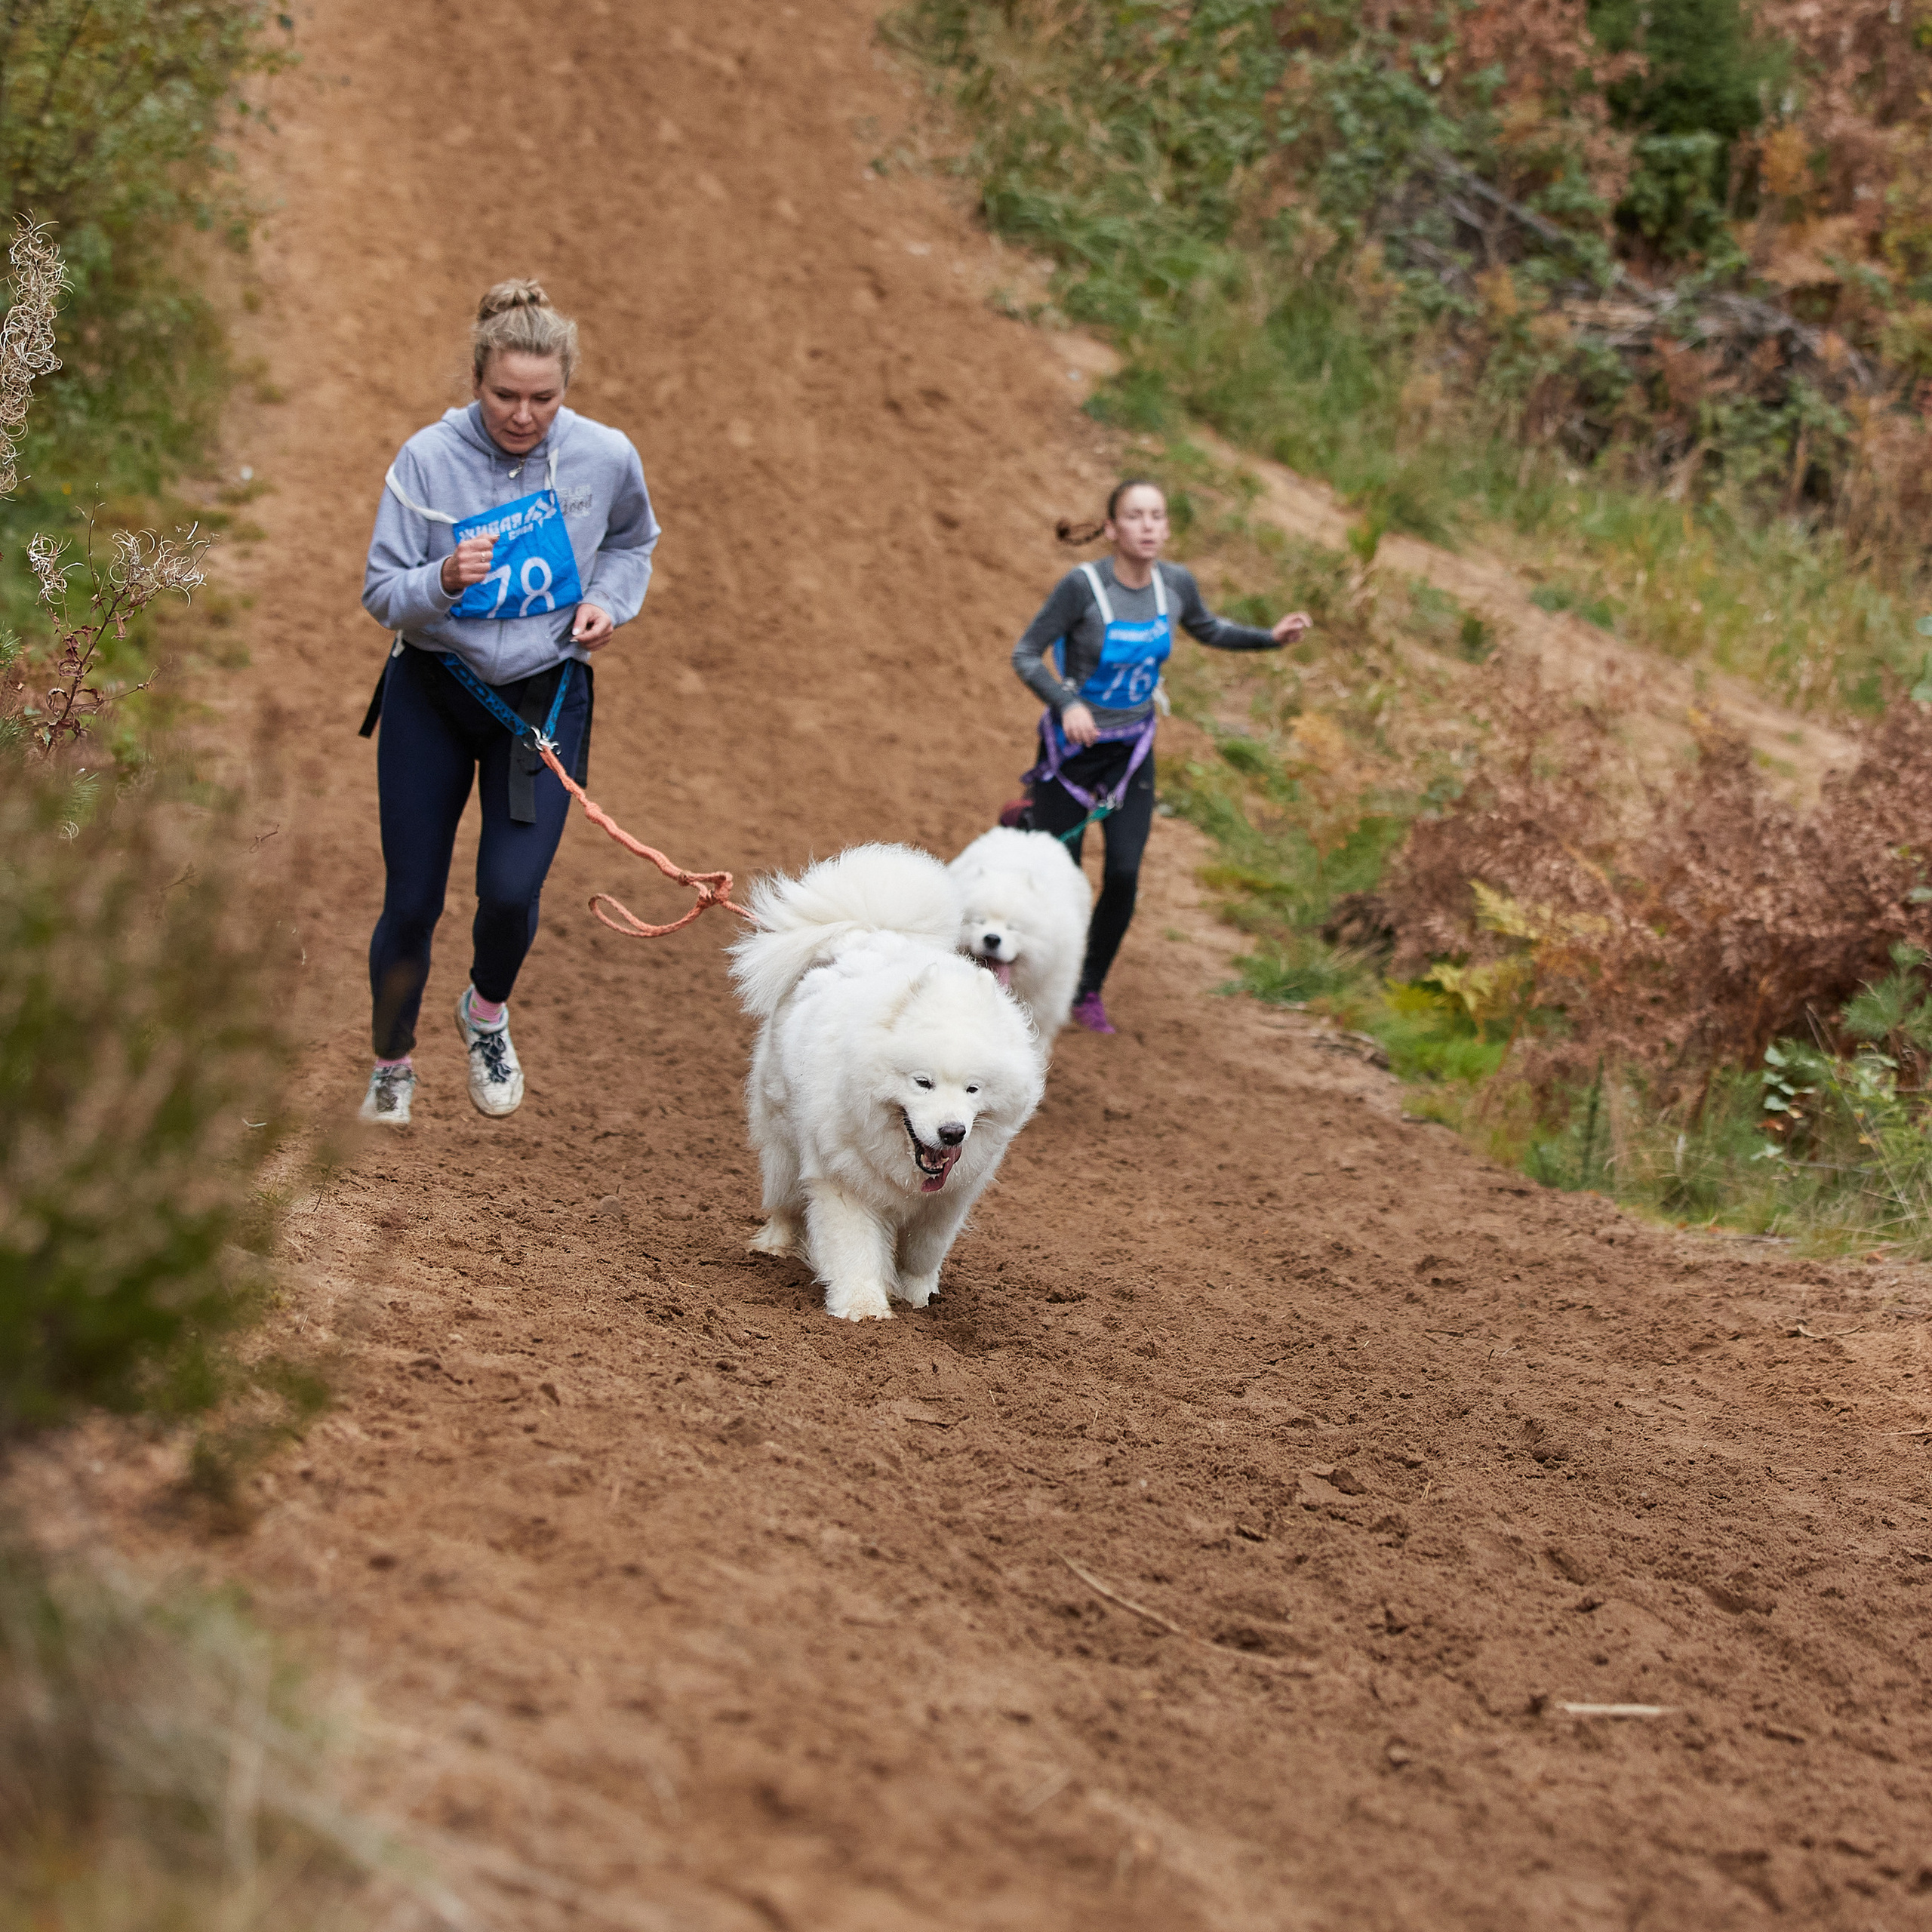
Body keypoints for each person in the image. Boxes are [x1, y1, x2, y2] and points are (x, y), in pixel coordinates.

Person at [356, 279, 660, 1125]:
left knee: (511, 891)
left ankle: (486, 1010)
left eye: (543, 398)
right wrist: (439, 579)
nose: (523, 415)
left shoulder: (604, 455)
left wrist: (608, 600)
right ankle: (392, 1061)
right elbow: (382, 591)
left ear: (566, 387)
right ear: (476, 380)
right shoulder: (427, 458)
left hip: (544, 694)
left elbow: (635, 540)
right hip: (435, 689)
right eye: (504, 396)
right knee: (412, 898)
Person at [1010, 479, 1310, 1034]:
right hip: (1071, 754)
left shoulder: (1174, 585)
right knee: (1063, 884)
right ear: (1111, 528)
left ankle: (1087, 988)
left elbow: (1209, 628)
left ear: (1166, 528)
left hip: (1131, 755)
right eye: (1135, 516)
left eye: (1157, 516)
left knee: (1123, 873)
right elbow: (1026, 654)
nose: (1149, 526)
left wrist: (1270, 637)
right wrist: (1067, 704)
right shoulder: (1082, 588)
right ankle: (1039, 977)